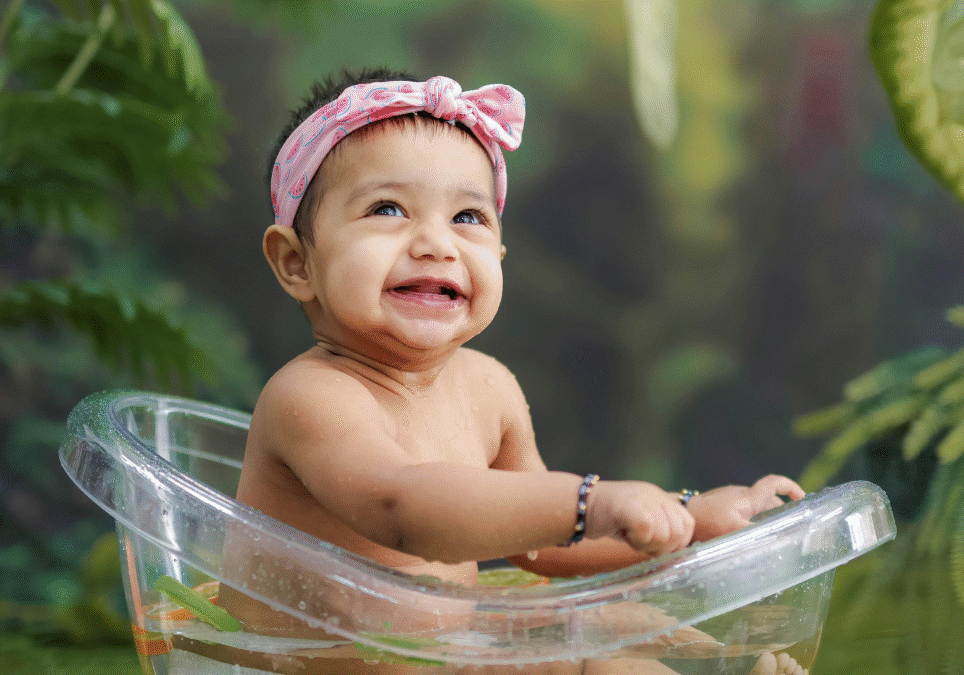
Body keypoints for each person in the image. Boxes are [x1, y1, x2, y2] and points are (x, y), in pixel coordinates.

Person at [224, 68, 805, 674]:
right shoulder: (311, 396)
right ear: (296, 263)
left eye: (468, 218)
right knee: (568, 662)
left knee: (603, 631)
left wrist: (692, 519)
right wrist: (590, 502)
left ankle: (730, 666)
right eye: (388, 208)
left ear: (500, 254)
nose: (436, 245)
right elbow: (401, 508)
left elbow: (539, 543)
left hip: (439, 655)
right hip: (313, 666)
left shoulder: (487, 386)